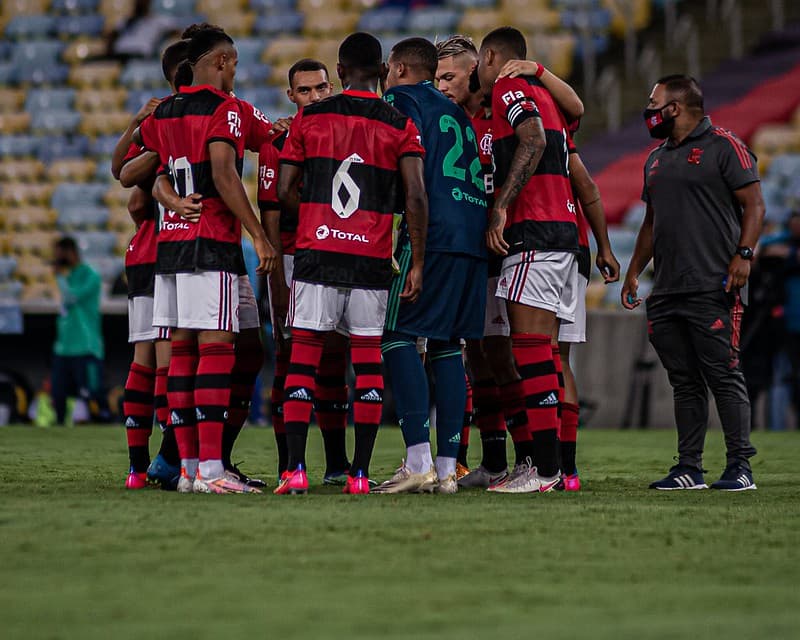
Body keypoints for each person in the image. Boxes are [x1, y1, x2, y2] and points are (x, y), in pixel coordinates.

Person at [275, 31, 428, 495]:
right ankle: (359, 475)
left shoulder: (310, 118)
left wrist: (320, 217)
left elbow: (284, 190)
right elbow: (417, 196)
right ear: (383, 72)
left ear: (338, 73)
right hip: (371, 257)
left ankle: (296, 471)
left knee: (303, 361)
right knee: (367, 363)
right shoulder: (399, 123)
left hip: (317, 254)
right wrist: (416, 261)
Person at [136, 24, 277, 494]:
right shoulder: (225, 109)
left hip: (171, 247)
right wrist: (258, 236)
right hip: (210, 241)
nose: (236, 71)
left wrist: (170, 201)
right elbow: (223, 174)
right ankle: (212, 471)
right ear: (219, 61)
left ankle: (192, 469)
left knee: (183, 354)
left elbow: (152, 172)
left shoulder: (167, 112)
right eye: (233, 63)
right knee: (215, 351)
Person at [622, 74, 766, 491]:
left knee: (724, 374)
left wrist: (744, 256)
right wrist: (635, 271)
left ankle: (740, 467)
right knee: (684, 381)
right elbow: (651, 222)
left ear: (676, 107)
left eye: (655, 102)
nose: (649, 111)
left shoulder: (725, 145)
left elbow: (755, 204)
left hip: (714, 283)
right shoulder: (656, 157)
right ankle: (689, 468)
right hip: (666, 288)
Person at [494, 60, 621, 491]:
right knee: (558, 358)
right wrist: (603, 245)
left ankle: (543, 469)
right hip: (575, 245)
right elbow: (585, 184)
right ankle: (567, 471)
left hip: (540, 238)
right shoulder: (556, 114)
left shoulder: (512, 106)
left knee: (531, 352)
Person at [372, 37, 487, 494]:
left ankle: (417, 459)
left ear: (398, 68)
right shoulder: (456, 111)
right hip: (471, 234)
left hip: (433, 231)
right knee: (445, 345)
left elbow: (403, 171)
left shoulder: (399, 99)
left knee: (397, 336)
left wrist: (412, 254)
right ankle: (445, 470)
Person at [478, 27, 579, 493]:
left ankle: (544, 472)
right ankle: (551, 470)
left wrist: (502, 204)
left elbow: (532, 139)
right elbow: (577, 110)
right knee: (543, 354)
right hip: (562, 233)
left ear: (492, 55)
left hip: (536, 230)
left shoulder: (507, 85)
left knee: (532, 352)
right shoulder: (547, 93)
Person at [259, 58, 354, 484]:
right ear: (291, 96)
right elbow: (271, 216)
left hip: (340, 253)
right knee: (290, 362)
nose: (314, 97)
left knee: (335, 362)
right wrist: (277, 279)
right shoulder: (276, 143)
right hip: (296, 259)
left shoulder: (348, 130)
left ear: (332, 87)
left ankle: (337, 465)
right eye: (305, 91)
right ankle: (288, 464)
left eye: (320, 89)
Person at [115, 39, 190, 490]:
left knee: (145, 359)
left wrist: (138, 124)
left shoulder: (159, 118)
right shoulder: (184, 119)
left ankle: (137, 468)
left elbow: (126, 179)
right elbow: (128, 179)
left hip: (145, 251)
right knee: (169, 359)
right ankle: (170, 458)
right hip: (171, 250)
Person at [50, 237, 105, 426]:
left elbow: (72, 298)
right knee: (58, 394)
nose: (56, 258)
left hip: (85, 345)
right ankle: (58, 433)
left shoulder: (90, 275)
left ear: (70, 252)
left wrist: (58, 277)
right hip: (63, 346)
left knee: (91, 394)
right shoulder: (69, 275)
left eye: (59, 253)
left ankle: (101, 428)